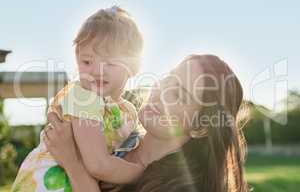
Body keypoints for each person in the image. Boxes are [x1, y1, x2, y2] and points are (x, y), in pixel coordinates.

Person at [45, 54, 249, 192]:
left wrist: (73, 164)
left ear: (200, 127)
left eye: (178, 94)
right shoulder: (118, 134)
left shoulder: (181, 187)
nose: (161, 92)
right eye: (168, 78)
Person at [12, 5, 145, 192]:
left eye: (110, 62)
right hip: (44, 184)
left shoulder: (128, 111)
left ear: (133, 66)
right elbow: (98, 165)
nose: (97, 71)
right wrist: (141, 171)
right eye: (87, 61)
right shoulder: (82, 96)